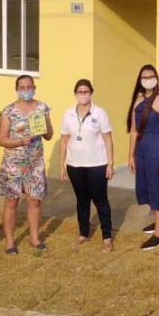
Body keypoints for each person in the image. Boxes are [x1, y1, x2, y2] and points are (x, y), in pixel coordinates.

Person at [0, 75, 53, 255]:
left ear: (34, 87)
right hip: (14, 163)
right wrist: (20, 141)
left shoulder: (42, 108)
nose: (26, 90)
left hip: (34, 162)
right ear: (17, 89)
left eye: (29, 86)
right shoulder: (8, 111)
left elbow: (49, 135)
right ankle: (10, 242)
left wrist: (43, 125)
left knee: (34, 200)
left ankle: (34, 238)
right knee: (12, 201)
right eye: (22, 87)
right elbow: (2, 139)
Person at [59, 79, 115, 252]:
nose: (83, 95)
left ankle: (107, 237)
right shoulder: (68, 114)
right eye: (80, 92)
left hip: (97, 165)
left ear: (91, 93)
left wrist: (110, 163)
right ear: (75, 93)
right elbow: (63, 141)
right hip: (75, 165)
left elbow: (107, 139)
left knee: (100, 201)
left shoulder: (100, 113)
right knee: (82, 200)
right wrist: (62, 165)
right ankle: (83, 232)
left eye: (86, 92)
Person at [127, 64, 159, 250]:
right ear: (140, 80)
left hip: (158, 150)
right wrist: (131, 155)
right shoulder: (138, 100)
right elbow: (133, 130)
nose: (147, 79)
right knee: (147, 187)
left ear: (156, 78)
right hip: (142, 151)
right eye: (144, 77)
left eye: (151, 76)